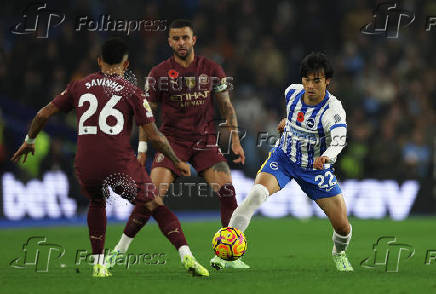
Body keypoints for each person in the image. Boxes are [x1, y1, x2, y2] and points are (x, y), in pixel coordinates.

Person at [11, 38, 209, 278]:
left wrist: (29, 141)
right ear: (126, 65)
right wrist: (176, 160)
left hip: (86, 163)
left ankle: (98, 265)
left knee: (97, 202)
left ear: (99, 61)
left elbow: (43, 114)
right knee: (154, 203)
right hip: (119, 164)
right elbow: (155, 136)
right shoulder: (132, 92)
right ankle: (186, 255)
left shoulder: (78, 86)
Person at [107, 19, 249, 270]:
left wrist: (235, 139)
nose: (181, 42)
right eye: (176, 38)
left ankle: (226, 256)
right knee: (152, 197)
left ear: (194, 39)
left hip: (205, 142)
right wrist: (142, 150)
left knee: (228, 192)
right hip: (172, 143)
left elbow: (226, 105)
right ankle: (120, 249)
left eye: (185, 37)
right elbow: (146, 116)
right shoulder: (159, 73)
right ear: (170, 42)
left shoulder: (212, 68)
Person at [228, 52, 354, 271]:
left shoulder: (333, 110)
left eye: (317, 80)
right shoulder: (292, 92)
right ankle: (228, 255)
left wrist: (327, 156)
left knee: (342, 226)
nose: (311, 85)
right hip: (284, 158)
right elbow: (295, 118)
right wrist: (286, 123)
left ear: (327, 81)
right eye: (307, 79)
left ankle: (339, 253)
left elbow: (339, 140)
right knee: (257, 193)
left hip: (315, 169)